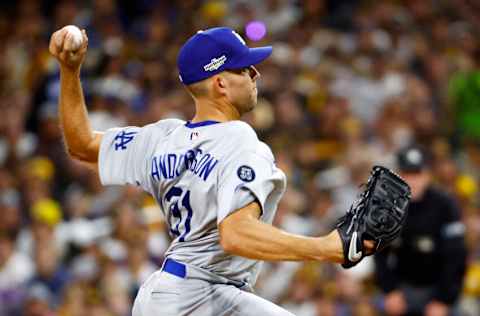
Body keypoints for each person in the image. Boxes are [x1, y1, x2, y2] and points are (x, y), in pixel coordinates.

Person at [49, 26, 375, 316]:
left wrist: (69, 70)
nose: (255, 75)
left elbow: (81, 144)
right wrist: (326, 248)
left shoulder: (162, 138)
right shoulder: (241, 141)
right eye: (245, 69)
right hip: (197, 296)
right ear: (221, 83)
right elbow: (235, 234)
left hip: (173, 294)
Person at [374, 145, 467, 316]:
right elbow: (378, 253)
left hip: (439, 288)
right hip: (402, 289)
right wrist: (390, 290)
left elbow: (456, 256)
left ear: (427, 175)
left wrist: (444, 300)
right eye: (407, 174)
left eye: (417, 174)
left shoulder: (445, 205)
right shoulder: (387, 207)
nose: (412, 181)